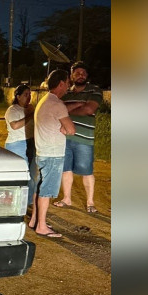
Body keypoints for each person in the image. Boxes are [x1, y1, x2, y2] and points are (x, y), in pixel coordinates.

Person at [29, 69, 76, 237]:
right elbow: (71, 129)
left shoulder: (43, 101)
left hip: (42, 152)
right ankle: (42, 226)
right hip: (53, 154)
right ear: (61, 83)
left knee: (40, 187)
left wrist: (62, 127)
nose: (68, 87)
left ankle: (35, 219)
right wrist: (64, 128)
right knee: (47, 190)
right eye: (68, 83)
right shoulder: (57, 104)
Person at [54, 61, 104, 213]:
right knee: (66, 169)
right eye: (77, 73)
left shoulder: (94, 90)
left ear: (87, 76)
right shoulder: (66, 92)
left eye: (83, 73)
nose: (80, 75)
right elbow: (57, 109)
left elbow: (88, 109)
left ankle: (90, 202)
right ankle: (66, 198)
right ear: (71, 75)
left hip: (84, 138)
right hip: (64, 138)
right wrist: (77, 105)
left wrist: (66, 110)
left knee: (86, 170)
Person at [4, 83, 36, 212]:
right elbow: (15, 126)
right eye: (25, 94)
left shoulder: (30, 108)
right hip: (17, 144)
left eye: (30, 94)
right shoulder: (12, 110)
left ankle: (29, 203)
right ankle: (14, 204)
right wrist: (30, 115)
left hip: (31, 143)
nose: (28, 97)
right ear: (18, 96)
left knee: (33, 176)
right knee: (21, 176)